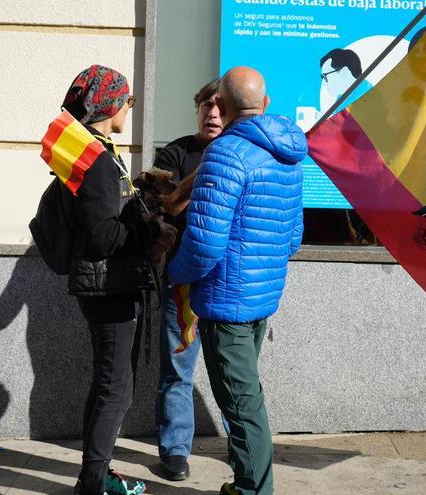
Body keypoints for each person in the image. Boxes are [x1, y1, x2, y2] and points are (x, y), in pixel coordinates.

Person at [168, 66, 306, 495]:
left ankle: (251, 489)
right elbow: (293, 236)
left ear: (223, 107)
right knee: (246, 397)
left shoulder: (224, 154)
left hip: (226, 302)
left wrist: (174, 273)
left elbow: (205, 243)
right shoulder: (289, 156)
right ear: (265, 105)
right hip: (261, 298)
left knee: (242, 406)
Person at [62, 65, 176, 495]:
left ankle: (94, 475)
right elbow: (104, 235)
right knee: (115, 390)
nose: (129, 108)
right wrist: (151, 231)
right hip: (109, 287)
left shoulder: (92, 152)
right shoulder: (97, 161)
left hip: (107, 285)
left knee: (110, 385)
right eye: (127, 100)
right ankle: (93, 482)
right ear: (111, 104)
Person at [152, 78, 223, 481]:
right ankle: (176, 449)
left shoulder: (245, 151)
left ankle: (241, 444)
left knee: (234, 369)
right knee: (178, 368)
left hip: (230, 282)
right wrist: (207, 181)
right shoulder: (176, 153)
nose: (211, 113)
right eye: (205, 106)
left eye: (219, 106)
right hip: (184, 281)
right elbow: (170, 208)